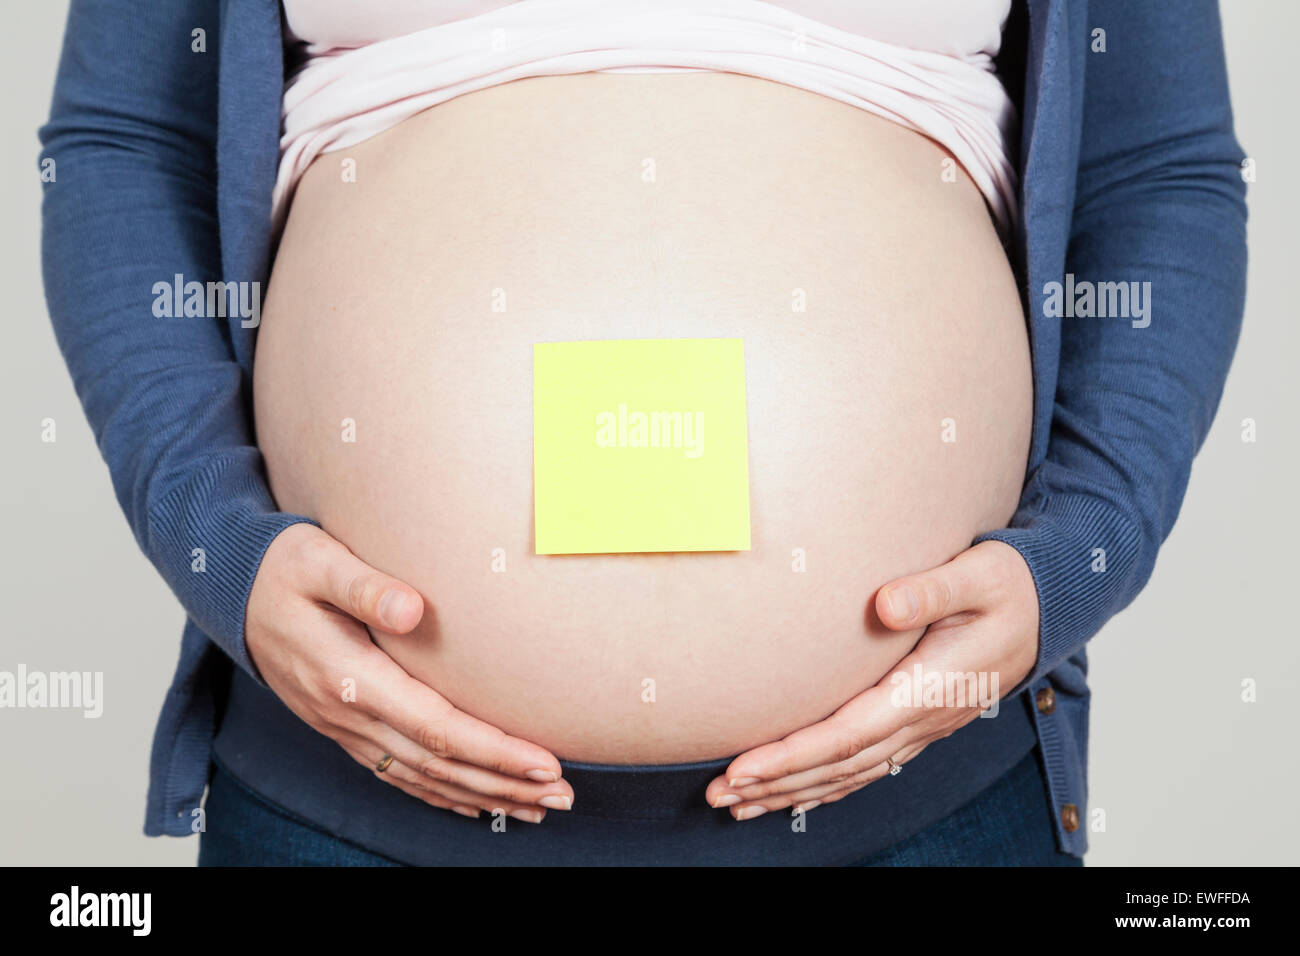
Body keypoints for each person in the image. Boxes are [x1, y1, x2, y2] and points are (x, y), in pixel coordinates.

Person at [39, 0, 1247, 866]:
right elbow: (121, 141)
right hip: (347, 807)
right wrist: (216, 545)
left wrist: (1078, 555)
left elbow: (1161, 169)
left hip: (923, 811)